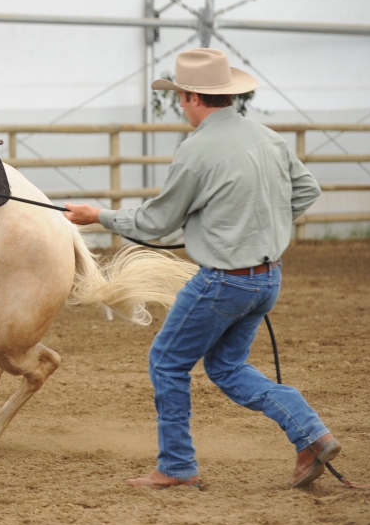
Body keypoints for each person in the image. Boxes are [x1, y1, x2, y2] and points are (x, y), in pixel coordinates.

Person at [64, 47, 335, 489]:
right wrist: (258, 225)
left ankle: (176, 466)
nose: (180, 105)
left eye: (179, 97)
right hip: (266, 278)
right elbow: (307, 190)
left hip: (223, 282)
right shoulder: (268, 137)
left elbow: (156, 221)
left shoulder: (196, 150)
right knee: (227, 367)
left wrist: (98, 216)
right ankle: (311, 434)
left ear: (191, 96)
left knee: (167, 362)